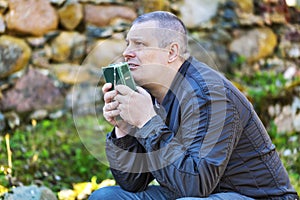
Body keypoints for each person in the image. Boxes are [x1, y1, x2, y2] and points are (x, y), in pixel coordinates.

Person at [89, 11, 299, 200]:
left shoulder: (210, 95)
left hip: (253, 197)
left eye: (139, 44)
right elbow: (132, 183)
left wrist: (147, 122)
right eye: (128, 43)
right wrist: (124, 129)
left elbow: (195, 185)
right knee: (107, 197)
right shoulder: (150, 95)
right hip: (195, 193)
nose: (127, 52)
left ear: (172, 52)